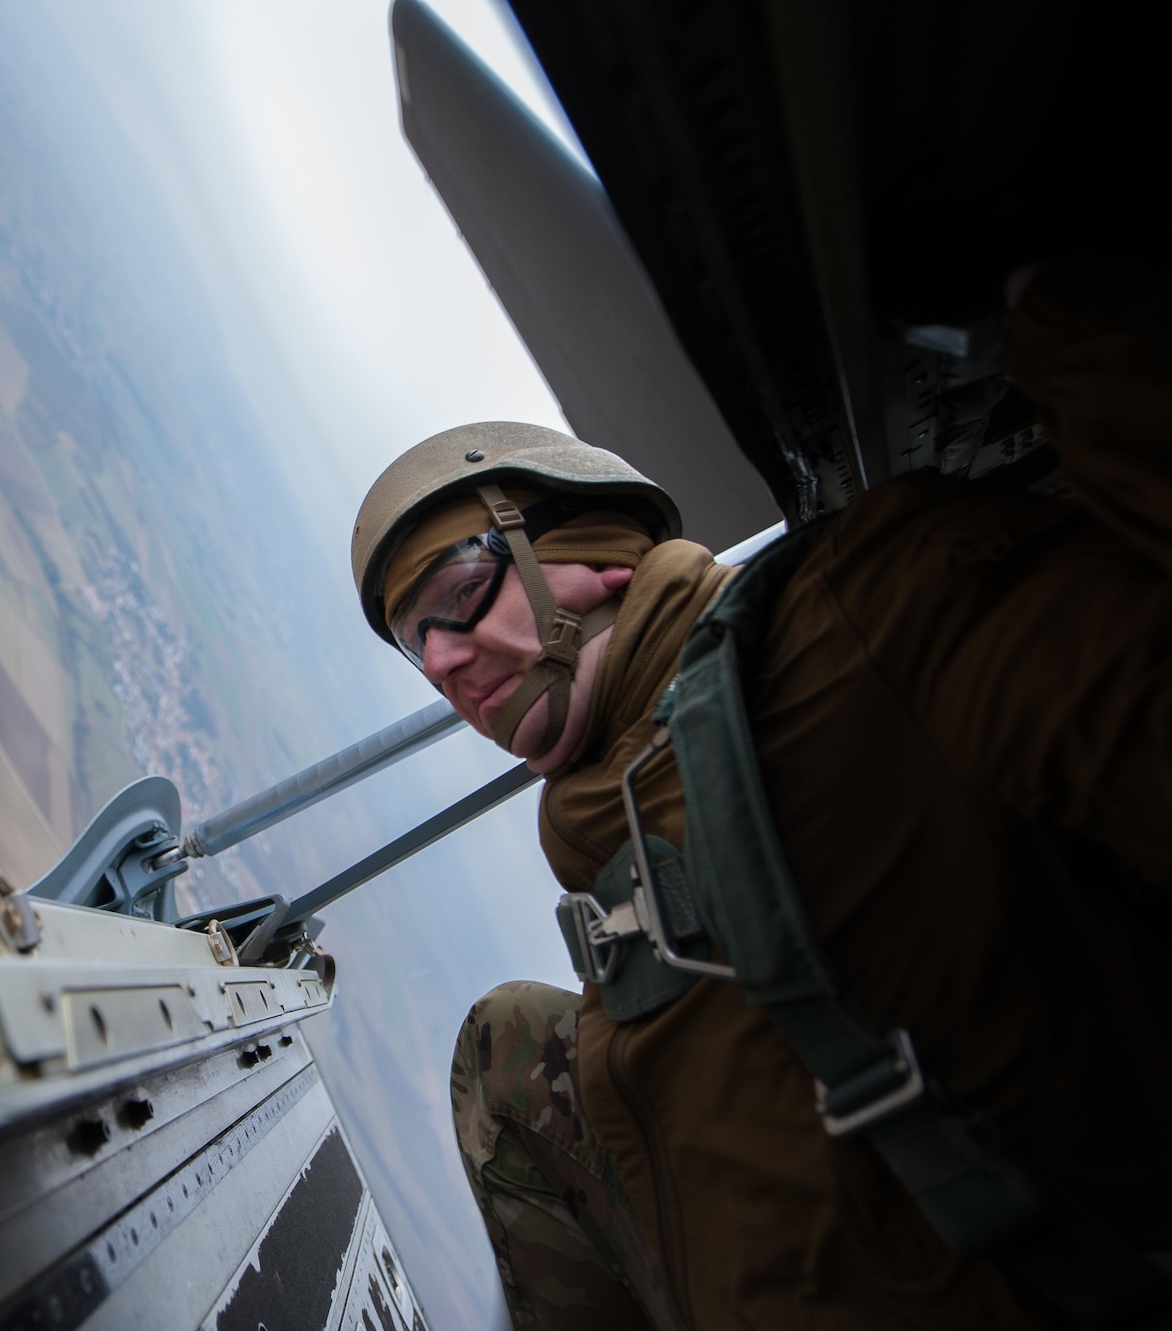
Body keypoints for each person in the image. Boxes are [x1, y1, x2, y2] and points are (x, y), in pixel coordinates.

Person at [347, 261, 1172, 1329]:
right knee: (504, 1042)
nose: (447, 664)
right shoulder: (613, 838)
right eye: (419, 652)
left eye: (456, 599)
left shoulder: (872, 611)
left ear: (584, 551)